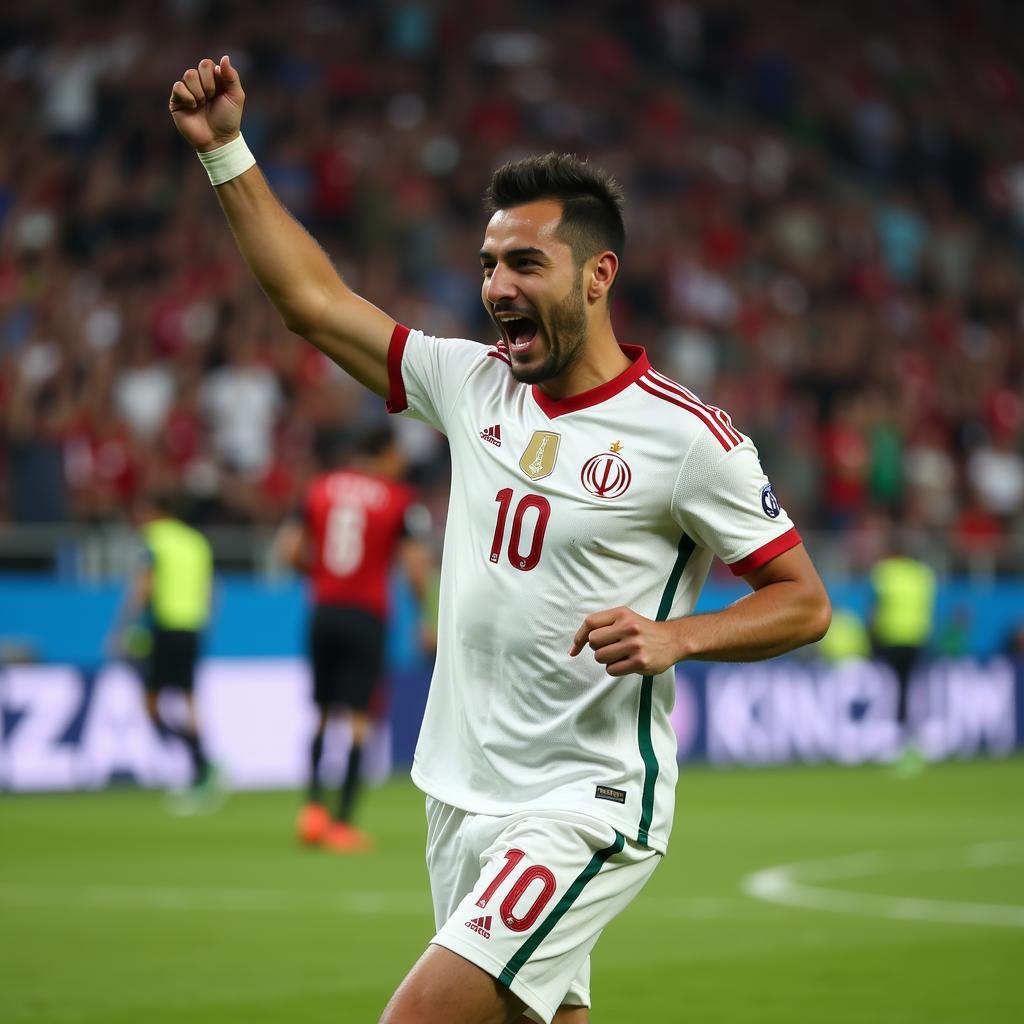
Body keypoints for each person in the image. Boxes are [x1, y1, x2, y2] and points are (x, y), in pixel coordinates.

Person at [169, 55, 831, 1024]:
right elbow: (311, 303)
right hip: (458, 788)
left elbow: (804, 599)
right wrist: (227, 151)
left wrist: (680, 637)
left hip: (586, 800)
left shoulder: (689, 440)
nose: (496, 285)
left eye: (525, 263)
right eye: (488, 263)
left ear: (598, 275)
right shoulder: (470, 383)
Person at [276, 423, 435, 853]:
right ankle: (343, 825)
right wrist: (425, 614)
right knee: (360, 720)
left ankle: (312, 810)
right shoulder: (400, 500)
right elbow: (415, 566)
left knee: (323, 714)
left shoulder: (319, 489)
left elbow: (289, 550)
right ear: (384, 452)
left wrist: (323, 578)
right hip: (367, 616)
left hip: (323, 610)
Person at [109, 491, 220, 811]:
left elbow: (145, 586)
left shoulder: (155, 539)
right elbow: (212, 588)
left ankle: (202, 764)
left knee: (152, 704)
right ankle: (203, 764)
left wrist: (122, 629)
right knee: (188, 698)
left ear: (157, 512)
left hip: (165, 627)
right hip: (192, 627)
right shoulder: (197, 542)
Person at [869, 529, 937, 775]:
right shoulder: (924, 574)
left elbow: (876, 608)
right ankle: (918, 741)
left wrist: (872, 636)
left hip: (890, 639)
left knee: (893, 690)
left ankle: (894, 744)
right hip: (917, 638)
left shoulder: (885, 572)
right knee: (913, 690)